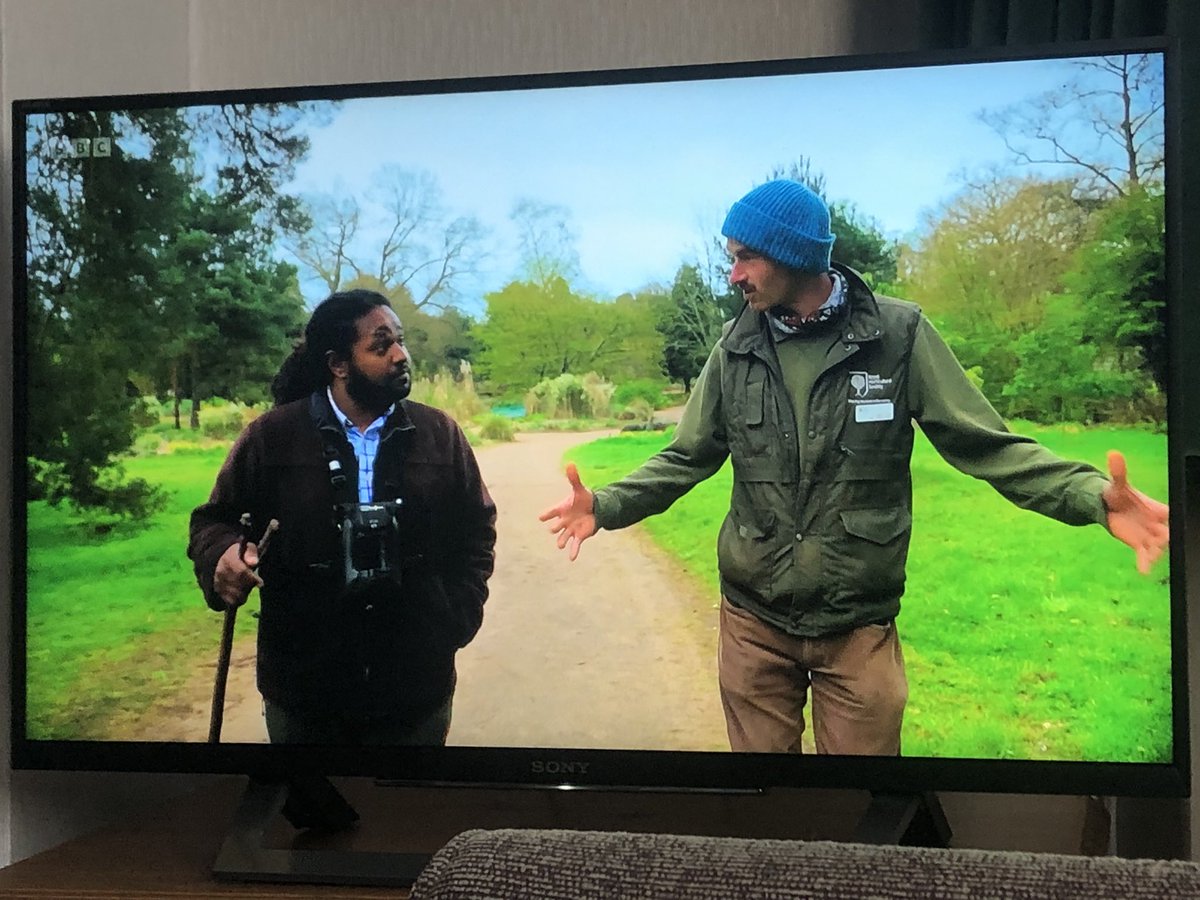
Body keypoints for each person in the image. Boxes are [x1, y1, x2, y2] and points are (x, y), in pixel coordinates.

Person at [539, 179, 1168, 757]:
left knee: (864, 809)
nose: (734, 275)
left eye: (744, 258)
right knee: (767, 810)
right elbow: (686, 456)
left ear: (793, 255)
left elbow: (988, 445)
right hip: (753, 621)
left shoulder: (898, 335)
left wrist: (1092, 497)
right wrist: (607, 504)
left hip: (858, 627)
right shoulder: (736, 348)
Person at [189, 289, 496, 746]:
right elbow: (214, 521)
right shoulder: (272, 437)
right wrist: (223, 557)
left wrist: (453, 618)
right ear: (338, 364)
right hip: (304, 688)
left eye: (401, 341)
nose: (400, 355)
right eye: (381, 345)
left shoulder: (440, 435)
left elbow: (476, 530)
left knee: (412, 812)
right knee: (315, 815)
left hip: (416, 687)